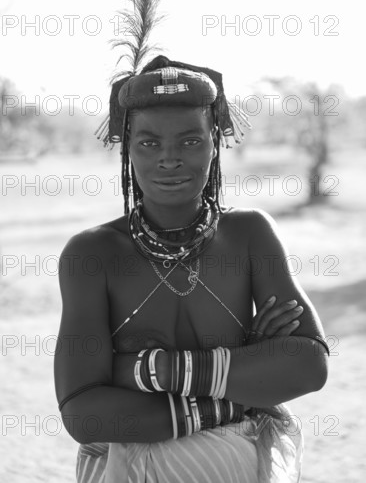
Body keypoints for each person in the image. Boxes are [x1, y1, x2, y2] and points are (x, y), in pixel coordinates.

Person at [54, 56, 329, 483]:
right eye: (148, 143)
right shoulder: (92, 255)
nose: (169, 159)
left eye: (189, 142)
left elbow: (309, 364)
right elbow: (84, 414)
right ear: (126, 147)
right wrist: (241, 384)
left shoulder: (249, 234)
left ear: (214, 143)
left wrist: (150, 370)